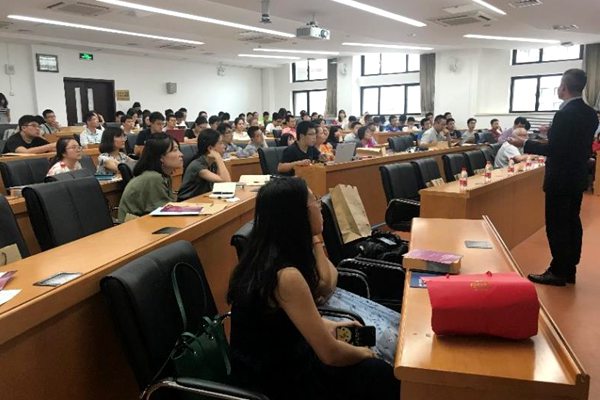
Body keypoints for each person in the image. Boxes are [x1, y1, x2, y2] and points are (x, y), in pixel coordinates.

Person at [228, 177, 400, 400]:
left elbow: (294, 322)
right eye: (315, 202)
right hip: (277, 379)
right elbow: (330, 354)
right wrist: (367, 355)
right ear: (297, 215)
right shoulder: (286, 276)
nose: (320, 207)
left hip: (290, 350)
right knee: (380, 371)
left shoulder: (269, 255)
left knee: (367, 336)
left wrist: (336, 327)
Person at [509, 69, 598, 286]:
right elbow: (574, 143)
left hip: (560, 178)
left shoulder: (564, 114)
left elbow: (555, 149)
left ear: (564, 87)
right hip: (577, 176)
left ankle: (558, 271)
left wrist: (525, 143)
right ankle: (569, 269)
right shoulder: (590, 113)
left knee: (557, 225)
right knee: (572, 222)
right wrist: (552, 131)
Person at [118, 134, 182, 222]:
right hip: (133, 226)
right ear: (161, 157)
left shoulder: (164, 175)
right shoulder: (153, 178)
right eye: (175, 150)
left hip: (145, 223)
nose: (181, 154)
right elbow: (164, 212)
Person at [178, 129, 231, 201]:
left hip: (203, 200)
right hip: (187, 202)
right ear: (210, 148)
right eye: (220, 143)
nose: (224, 146)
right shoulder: (197, 165)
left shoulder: (212, 162)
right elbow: (226, 181)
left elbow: (224, 184)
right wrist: (219, 158)